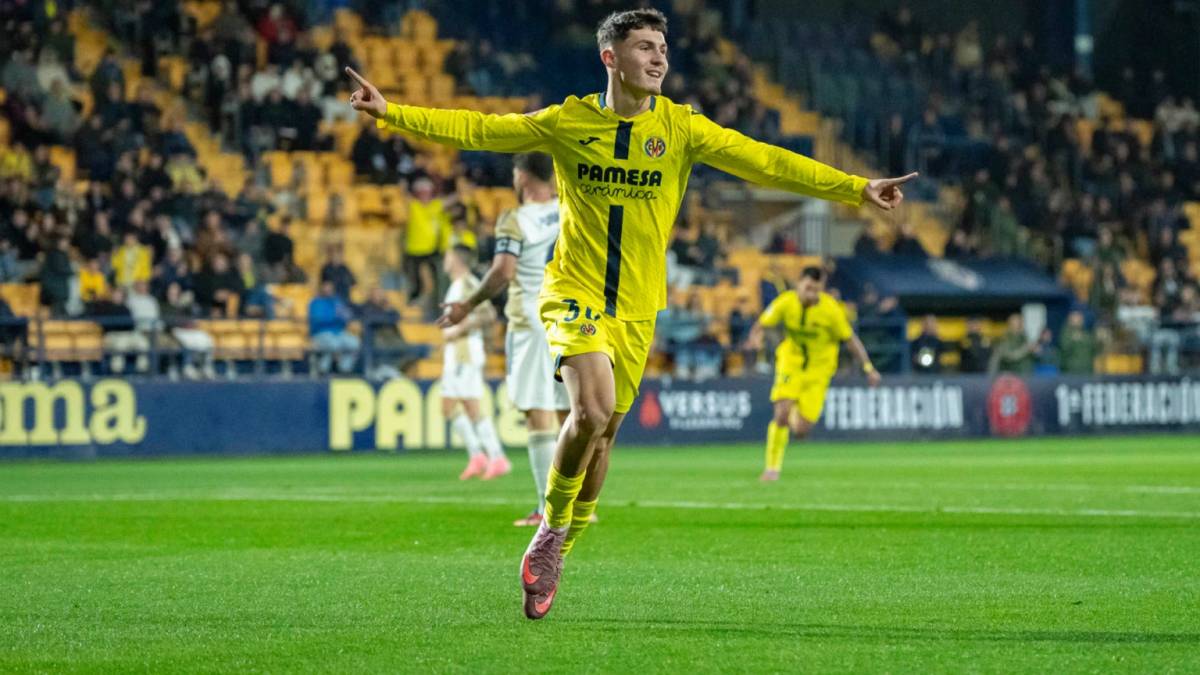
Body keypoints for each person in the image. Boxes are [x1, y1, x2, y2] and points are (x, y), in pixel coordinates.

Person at [348, 7, 914, 620]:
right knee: (588, 411)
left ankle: (563, 542)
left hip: (639, 307)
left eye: (663, 47)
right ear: (610, 58)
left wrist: (854, 187)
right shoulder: (569, 121)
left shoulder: (682, 129)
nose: (659, 57)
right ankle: (551, 526)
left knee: (605, 434)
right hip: (575, 292)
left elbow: (766, 160)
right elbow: (481, 130)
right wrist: (392, 112)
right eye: (644, 46)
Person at [440, 153, 570, 527]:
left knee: (538, 413)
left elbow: (503, 272)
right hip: (567, 316)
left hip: (530, 320)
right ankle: (581, 503)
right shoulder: (569, 210)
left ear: (524, 178)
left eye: (515, 173)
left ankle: (549, 510)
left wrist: (467, 304)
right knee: (568, 414)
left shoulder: (514, 219)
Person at [745, 266, 880, 482]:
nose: (812, 294)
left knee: (801, 430)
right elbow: (761, 324)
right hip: (791, 362)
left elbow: (850, 339)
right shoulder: (786, 302)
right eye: (808, 288)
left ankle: (793, 410)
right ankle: (772, 468)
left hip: (819, 370)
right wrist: (755, 338)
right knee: (781, 413)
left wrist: (868, 368)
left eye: (817, 290)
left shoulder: (831, 310)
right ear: (799, 283)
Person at [440, 245, 511, 481]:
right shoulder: (455, 285)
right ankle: (477, 456)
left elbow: (488, 314)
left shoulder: (468, 282)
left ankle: (497, 457)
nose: (445, 259)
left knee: (471, 406)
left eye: (448, 255)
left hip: (465, 353)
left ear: (457, 259)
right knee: (447, 407)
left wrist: (460, 329)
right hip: (454, 354)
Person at [308, 280, 359, 374]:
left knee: (354, 343)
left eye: (330, 288)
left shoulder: (337, 301)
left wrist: (342, 317)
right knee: (334, 345)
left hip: (339, 333)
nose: (328, 290)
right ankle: (323, 370)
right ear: (321, 288)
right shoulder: (316, 303)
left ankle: (344, 369)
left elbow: (347, 317)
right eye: (326, 287)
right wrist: (336, 318)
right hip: (321, 333)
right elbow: (318, 320)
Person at [1058, 310, 1097, 375]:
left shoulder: (1086, 333)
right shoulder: (1066, 333)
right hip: (1071, 370)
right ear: (1070, 319)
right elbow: (1064, 348)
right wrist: (1073, 340)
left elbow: (1094, 349)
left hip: (1087, 369)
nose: (1079, 320)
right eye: (1076, 317)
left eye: (1080, 318)